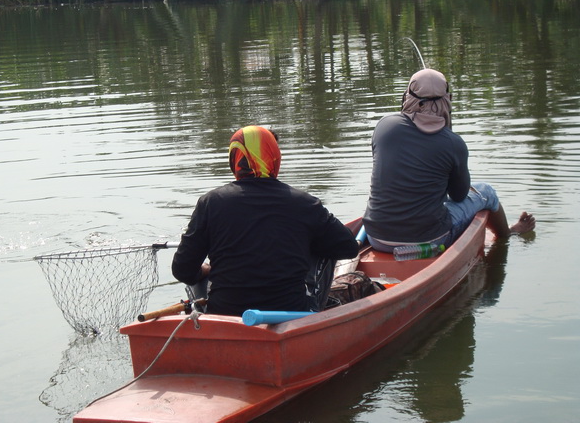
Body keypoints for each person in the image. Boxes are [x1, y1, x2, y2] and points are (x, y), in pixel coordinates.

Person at [172, 125, 359, 316]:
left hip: (226, 315)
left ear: (234, 160)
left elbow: (182, 270)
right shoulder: (305, 203)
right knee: (327, 245)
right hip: (291, 313)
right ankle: (315, 310)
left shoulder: (210, 203)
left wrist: (206, 271)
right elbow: (348, 247)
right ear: (274, 157)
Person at [362, 68, 535, 253]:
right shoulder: (454, 143)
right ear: (447, 100)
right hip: (430, 239)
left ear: (407, 97)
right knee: (486, 192)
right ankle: (507, 233)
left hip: (376, 237)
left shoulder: (384, 126)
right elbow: (459, 196)